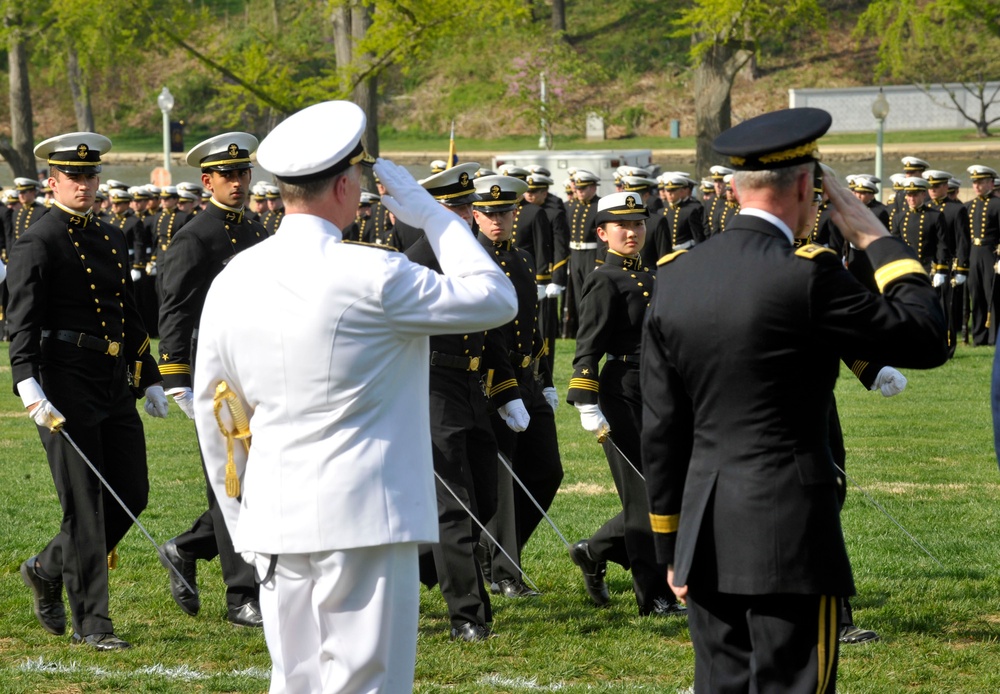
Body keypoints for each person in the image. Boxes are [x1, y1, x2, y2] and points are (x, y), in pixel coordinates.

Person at [192, 100, 517, 692]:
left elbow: (217, 412)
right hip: (365, 517)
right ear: (346, 185)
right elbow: (495, 298)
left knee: (294, 680)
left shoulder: (234, 277)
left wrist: (241, 519)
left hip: (274, 512)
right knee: (369, 682)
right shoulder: (376, 274)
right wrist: (436, 217)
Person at [641, 107, 948, 693]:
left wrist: (670, 543)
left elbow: (663, 427)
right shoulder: (807, 273)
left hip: (703, 531)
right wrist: (876, 237)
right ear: (809, 187)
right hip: (791, 527)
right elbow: (927, 338)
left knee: (722, 685)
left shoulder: (677, 275)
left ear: (732, 188)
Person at [7, 131, 169, 650]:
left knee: (132, 491)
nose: (84, 184)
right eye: (73, 176)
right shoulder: (39, 238)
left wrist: (149, 378)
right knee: (87, 505)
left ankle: (47, 566)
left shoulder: (110, 235)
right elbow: (22, 320)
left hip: (111, 377)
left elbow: (128, 312)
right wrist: (27, 381)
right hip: (62, 379)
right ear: (53, 182)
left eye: (90, 175)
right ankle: (93, 623)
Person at [156, 132, 269, 627]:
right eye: (227, 175)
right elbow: (175, 310)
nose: (238, 182)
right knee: (233, 478)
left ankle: (185, 547)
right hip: (216, 372)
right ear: (208, 181)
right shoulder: (196, 236)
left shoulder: (257, 229)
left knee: (260, 476)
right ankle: (241, 594)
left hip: (260, 367)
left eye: (243, 173)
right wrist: (177, 377)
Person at [566, 191, 683, 617]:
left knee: (668, 488)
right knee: (644, 495)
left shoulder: (654, 276)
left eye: (637, 224)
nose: (632, 232)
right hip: (623, 391)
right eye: (622, 226)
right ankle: (654, 596)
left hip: (660, 389)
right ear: (602, 233)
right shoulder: (604, 279)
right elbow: (586, 346)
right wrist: (586, 398)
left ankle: (593, 550)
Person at [472, 174, 563, 601]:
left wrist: (543, 378)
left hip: (528, 379)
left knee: (547, 471)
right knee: (505, 481)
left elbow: (534, 325)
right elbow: (483, 332)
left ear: (516, 213)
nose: (497, 220)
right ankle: (504, 573)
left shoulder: (523, 260)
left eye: (504, 212)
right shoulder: (471, 261)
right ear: (474, 214)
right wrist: (505, 389)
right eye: (488, 213)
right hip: (494, 384)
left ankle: (491, 553)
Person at [964, 165, 1000, 346]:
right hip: (973, 253)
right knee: (975, 294)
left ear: (991, 183)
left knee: (992, 294)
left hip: (991, 253)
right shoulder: (969, 206)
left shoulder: (997, 204)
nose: (977, 186)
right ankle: (978, 336)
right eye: (975, 183)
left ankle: (993, 336)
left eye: (981, 182)